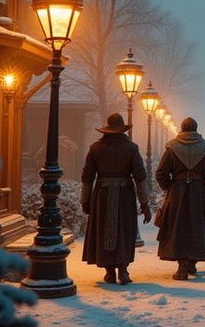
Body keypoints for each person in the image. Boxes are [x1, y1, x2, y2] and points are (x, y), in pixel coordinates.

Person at [80, 113, 151, 285]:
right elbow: (140, 177)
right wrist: (145, 203)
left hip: (102, 195)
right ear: (122, 129)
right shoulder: (131, 148)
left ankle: (109, 272)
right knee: (124, 230)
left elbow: (87, 177)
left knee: (104, 230)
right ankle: (123, 270)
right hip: (124, 194)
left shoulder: (95, 148)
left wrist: (85, 200)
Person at [155, 117, 205, 280]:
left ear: (181, 128)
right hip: (199, 192)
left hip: (177, 192)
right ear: (196, 129)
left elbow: (160, 173)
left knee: (178, 227)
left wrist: (169, 188)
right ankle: (192, 261)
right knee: (196, 226)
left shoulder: (172, 148)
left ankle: (182, 266)